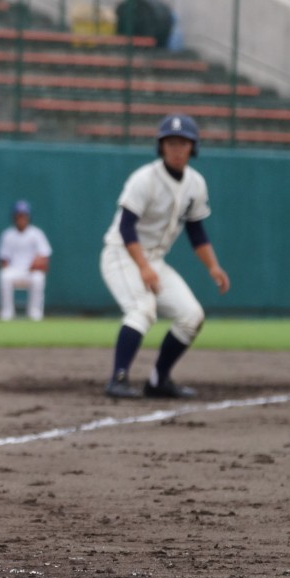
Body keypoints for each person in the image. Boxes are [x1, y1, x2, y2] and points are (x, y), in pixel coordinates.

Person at [100, 113, 230, 399]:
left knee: (192, 316)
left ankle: (158, 381)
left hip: (153, 260)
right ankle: (118, 379)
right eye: (170, 142)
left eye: (183, 143)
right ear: (161, 146)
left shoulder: (196, 183)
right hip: (122, 254)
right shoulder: (144, 179)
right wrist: (143, 267)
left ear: (192, 147)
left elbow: (196, 231)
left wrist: (213, 267)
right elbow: (126, 227)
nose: (176, 149)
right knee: (142, 309)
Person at [0, 200, 51, 321]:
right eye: (19, 215)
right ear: (14, 217)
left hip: (31, 272)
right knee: (4, 276)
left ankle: (35, 313)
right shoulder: (8, 235)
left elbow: (45, 258)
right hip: (14, 271)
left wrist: (38, 264)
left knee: (38, 277)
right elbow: (3, 261)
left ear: (28, 216)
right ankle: (7, 313)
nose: (21, 218)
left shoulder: (36, 234)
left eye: (24, 215)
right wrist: (9, 269)